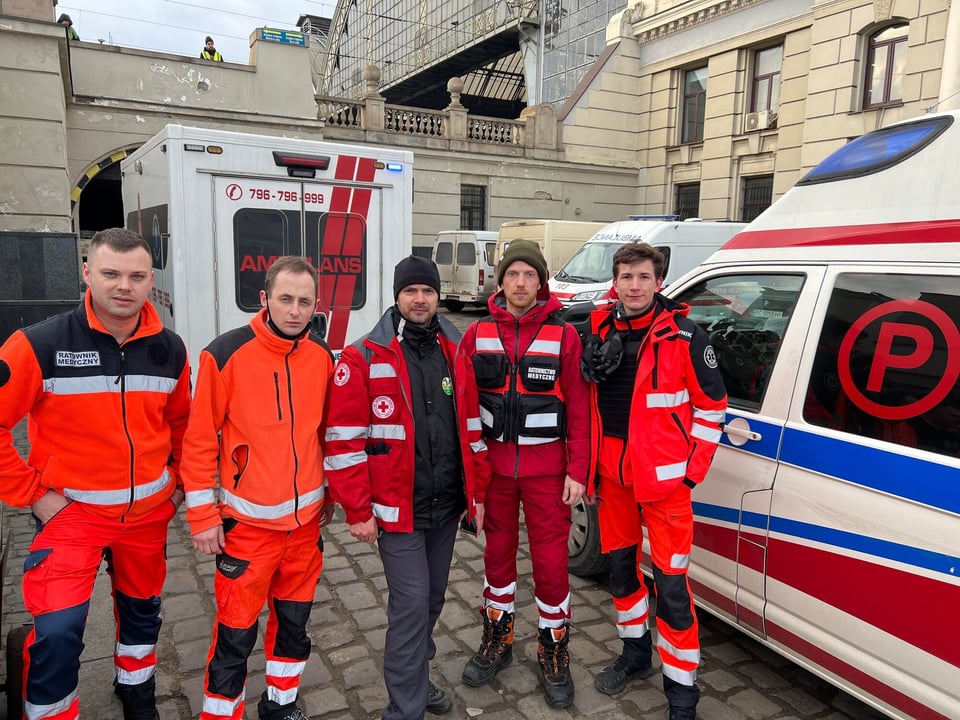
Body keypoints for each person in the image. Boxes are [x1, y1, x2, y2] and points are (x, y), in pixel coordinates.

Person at [0, 228, 191, 720]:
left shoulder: (171, 348)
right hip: (71, 517)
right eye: (111, 273)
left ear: (151, 281)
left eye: (136, 276)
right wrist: (33, 495)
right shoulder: (37, 344)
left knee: (142, 614)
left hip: (146, 517)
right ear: (87, 273)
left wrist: (176, 489)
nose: (124, 286)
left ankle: (137, 692)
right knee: (57, 631)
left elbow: (183, 427)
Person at [323, 256, 490, 720]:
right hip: (396, 511)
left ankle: (416, 677)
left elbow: (470, 430)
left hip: (446, 506)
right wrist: (358, 510)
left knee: (432, 600)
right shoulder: (362, 357)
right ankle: (404, 708)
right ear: (396, 296)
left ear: (438, 296)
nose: (420, 299)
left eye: (428, 291)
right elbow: (342, 442)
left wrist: (475, 494)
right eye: (411, 291)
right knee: (412, 606)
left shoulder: (455, 350)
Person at [181, 256, 335, 720]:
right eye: (285, 299)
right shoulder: (225, 354)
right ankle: (220, 714)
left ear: (316, 305)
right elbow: (199, 441)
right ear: (265, 298)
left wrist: (330, 493)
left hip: (304, 530)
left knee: (293, 628)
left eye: (305, 302)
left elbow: (325, 434)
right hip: (247, 530)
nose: (295, 311)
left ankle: (281, 705)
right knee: (235, 636)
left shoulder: (322, 357)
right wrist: (202, 516)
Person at [581, 242, 727, 720]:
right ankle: (635, 654)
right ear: (615, 282)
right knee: (622, 574)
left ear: (659, 282)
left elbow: (712, 410)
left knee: (673, 591)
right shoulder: (598, 330)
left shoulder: (686, 337)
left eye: (644, 276)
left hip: (667, 487)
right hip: (613, 480)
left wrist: (691, 476)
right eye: (626, 276)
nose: (635, 285)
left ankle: (682, 696)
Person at [457, 239, 590, 709]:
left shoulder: (565, 336)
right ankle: (498, 638)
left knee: (551, 562)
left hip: (547, 471)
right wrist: (470, 477)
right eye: (512, 274)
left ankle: (553, 650)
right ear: (501, 281)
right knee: (497, 555)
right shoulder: (476, 334)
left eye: (529, 275)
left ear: (541, 282)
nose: (520, 283)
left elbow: (580, 408)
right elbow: (463, 409)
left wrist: (578, 469)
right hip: (493, 471)